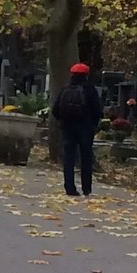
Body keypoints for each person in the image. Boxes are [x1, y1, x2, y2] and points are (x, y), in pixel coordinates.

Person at [52, 63, 102, 196]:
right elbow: (97, 110)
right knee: (85, 158)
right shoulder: (90, 90)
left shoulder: (65, 89)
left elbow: (55, 110)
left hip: (68, 128)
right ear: (86, 75)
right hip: (85, 128)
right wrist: (93, 125)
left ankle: (69, 188)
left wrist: (63, 121)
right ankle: (86, 188)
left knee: (68, 158)